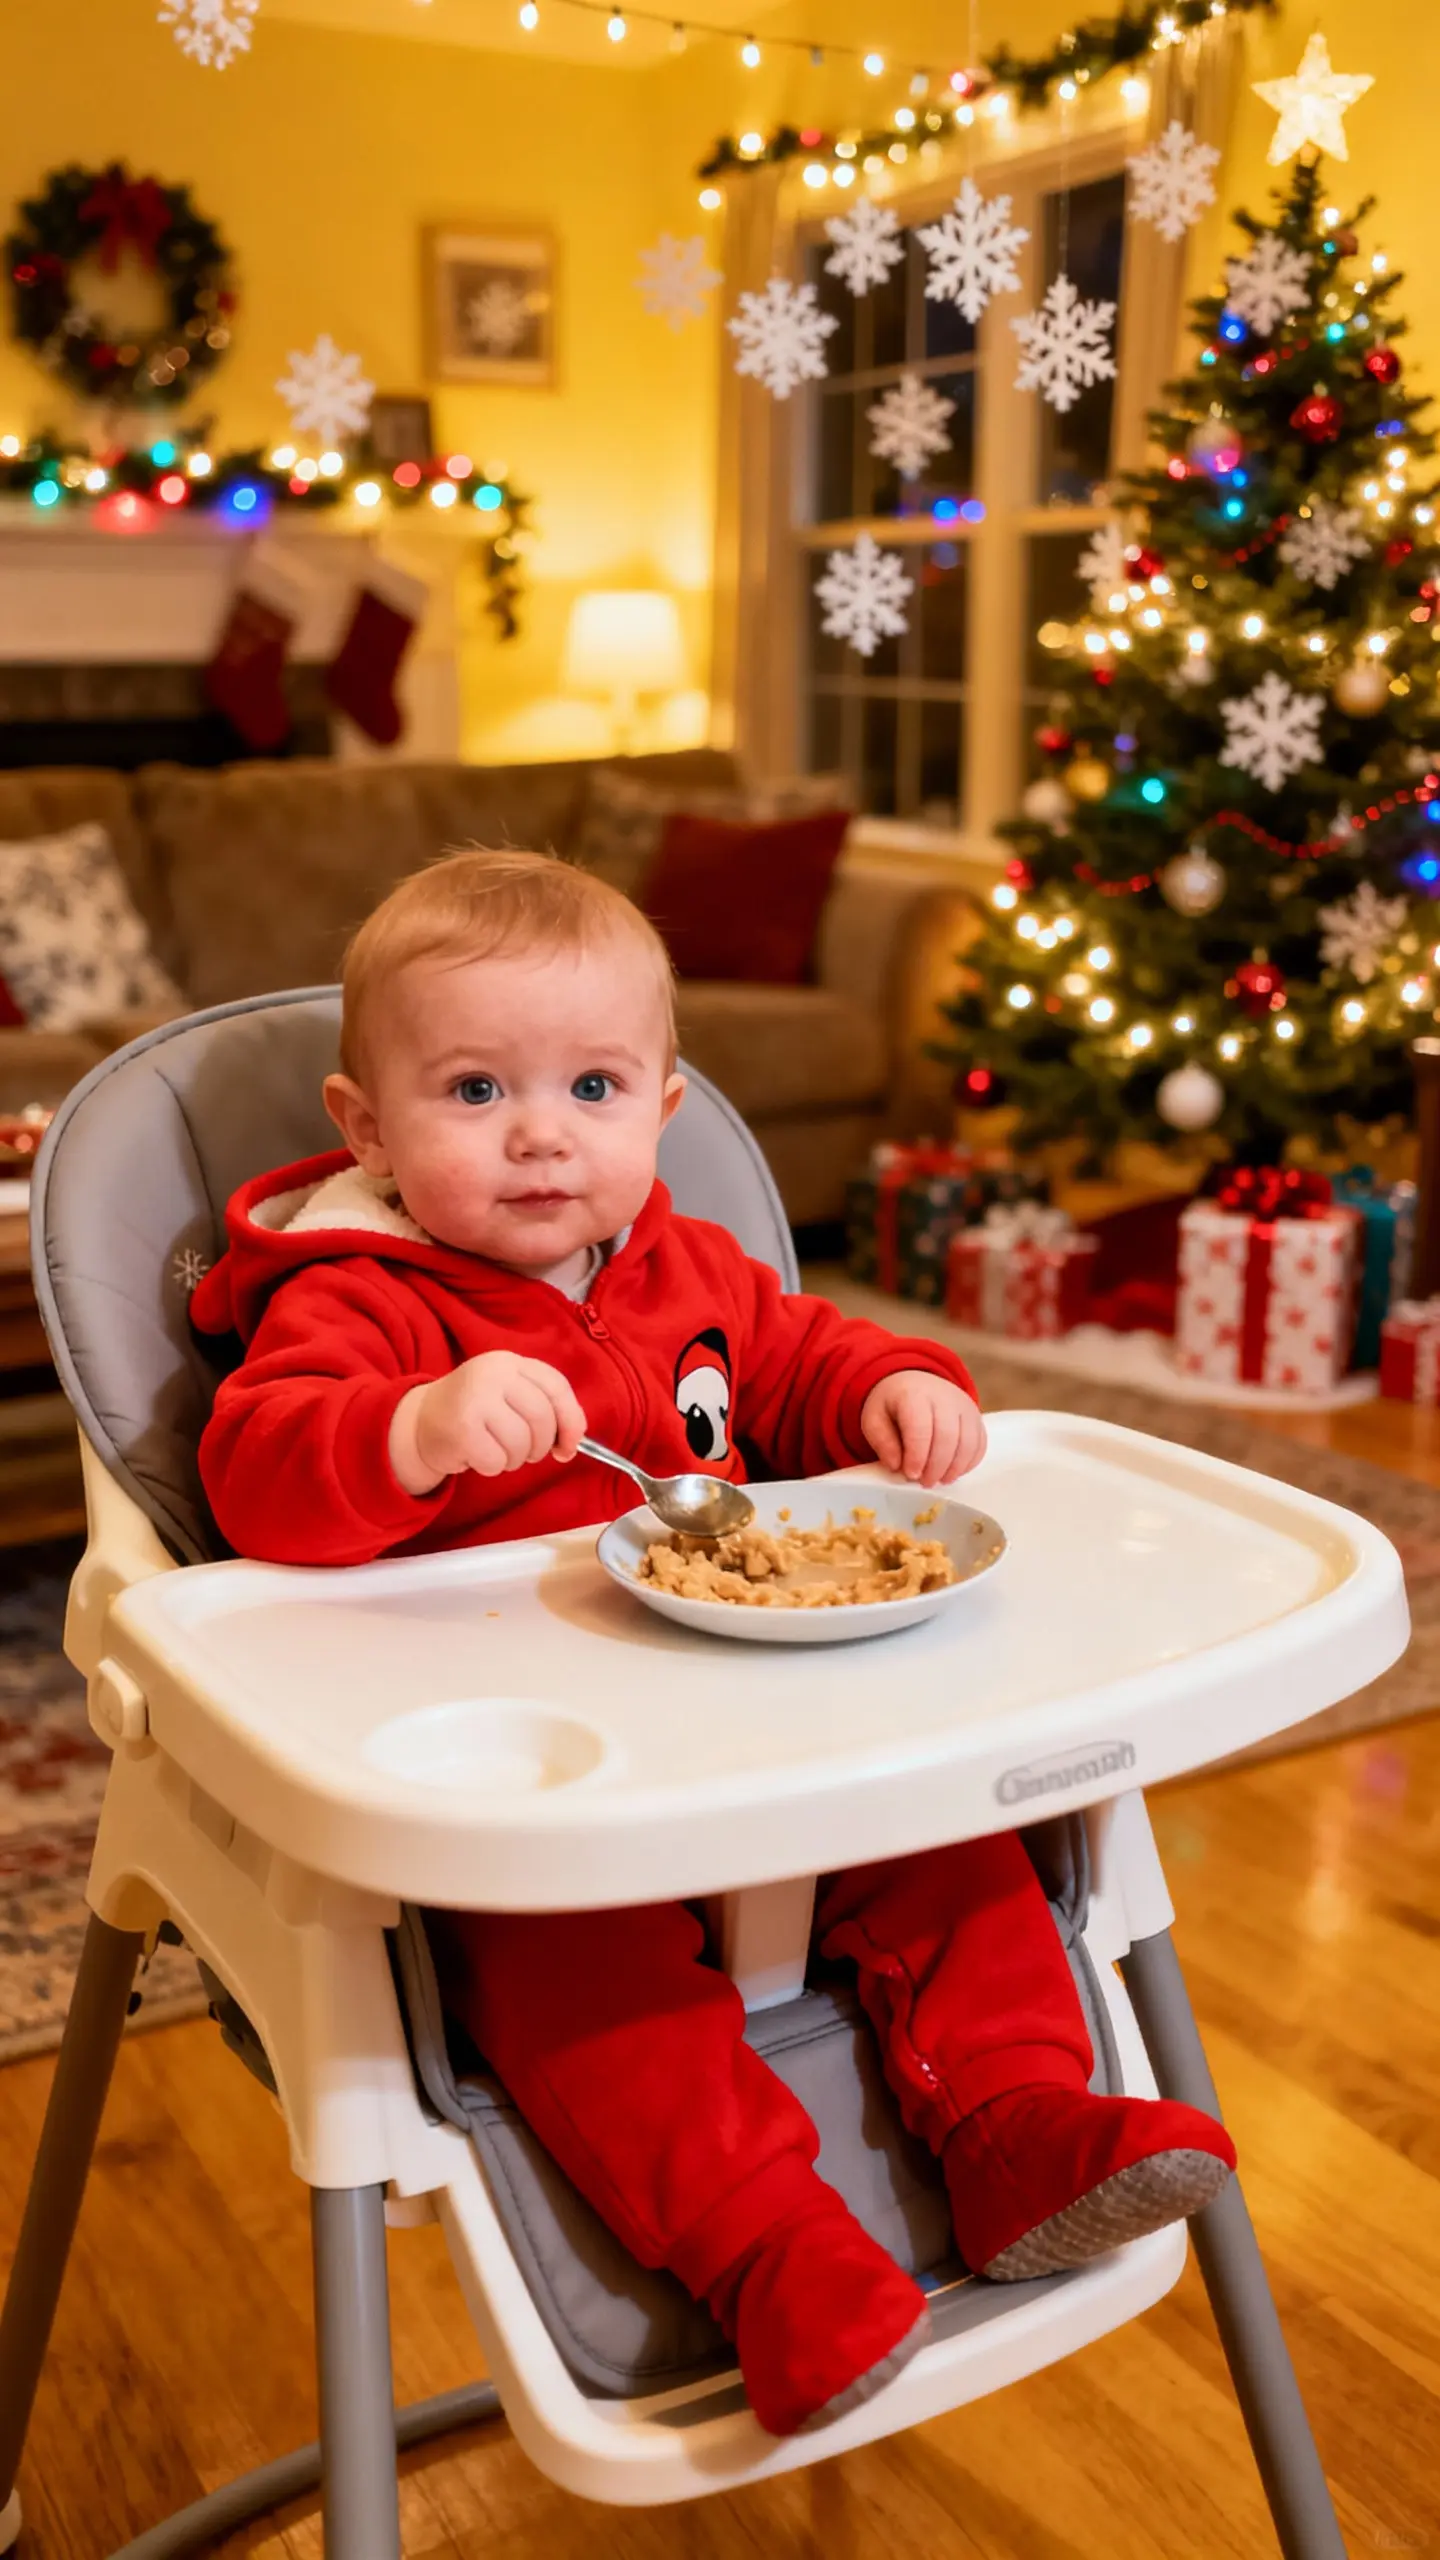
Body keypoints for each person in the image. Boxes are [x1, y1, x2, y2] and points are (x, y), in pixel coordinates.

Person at [190, 848, 1235, 2440]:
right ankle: (775, 2259)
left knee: (948, 1838)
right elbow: (259, 1479)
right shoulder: (359, 1300)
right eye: (474, 1090)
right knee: (570, 1973)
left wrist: (894, 1386)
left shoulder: (687, 1267)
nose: (543, 1131)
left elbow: (805, 1357)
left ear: (663, 1105)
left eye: (593, 1085)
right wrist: (410, 1433)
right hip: (530, 1767)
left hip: (753, 1710)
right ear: (366, 1130)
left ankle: (1020, 2123)